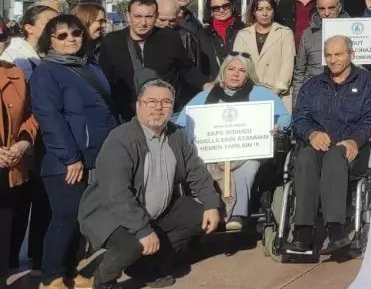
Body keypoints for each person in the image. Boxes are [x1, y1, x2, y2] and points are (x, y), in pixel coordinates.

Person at [78, 80, 221, 289]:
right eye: (151, 101)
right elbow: (116, 194)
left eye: (166, 102)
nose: (158, 107)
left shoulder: (177, 135)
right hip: (111, 214)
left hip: (156, 210)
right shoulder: (121, 139)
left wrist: (210, 203)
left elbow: (195, 170)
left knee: (198, 215)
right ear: (138, 106)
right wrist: (142, 230)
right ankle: (104, 279)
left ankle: (145, 267)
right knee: (133, 244)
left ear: (172, 107)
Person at [29, 15, 121, 289]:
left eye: (75, 33)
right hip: (64, 161)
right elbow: (50, 118)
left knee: (82, 218)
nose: (70, 39)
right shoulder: (46, 72)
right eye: (62, 35)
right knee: (64, 217)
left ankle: (69, 270)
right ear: (50, 41)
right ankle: (51, 277)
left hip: (95, 155)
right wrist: (70, 158)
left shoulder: (90, 67)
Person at [287, 36, 371, 255]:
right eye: (329, 55)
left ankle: (336, 230)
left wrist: (355, 140)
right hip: (318, 146)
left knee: (335, 157)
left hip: (352, 150)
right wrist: (311, 134)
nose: (333, 60)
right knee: (304, 158)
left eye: (338, 54)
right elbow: (299, 118)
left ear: (351, 55)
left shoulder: (369, 83)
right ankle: (302, 232)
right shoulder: (313, 86)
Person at [179, 54, 290, 232]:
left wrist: (278, 126)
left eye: (241, 70)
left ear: (249, 74)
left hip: (249, 151)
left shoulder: (260, 94)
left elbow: (285, 116)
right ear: (223, 72)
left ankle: (238, 213)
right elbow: (182, 121)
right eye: (231, 69)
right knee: (201, 168)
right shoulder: (206, 96)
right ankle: (211, 210)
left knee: (248, 167)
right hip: (212, 152)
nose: (235, 74)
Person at [4, 5, 56, 277]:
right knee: (17, 203)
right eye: (48, 22)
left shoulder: (42, 56)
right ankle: (12, 257)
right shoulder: (16, 58)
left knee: (33, 198)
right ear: (28, 26)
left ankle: (29, 255)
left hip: (31, 140)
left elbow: (29, 110)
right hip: (15, 146)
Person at [95, 0, 208, 118]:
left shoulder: (169, 38)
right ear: (128, 16)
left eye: (149, 17)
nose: (143, 23)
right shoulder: (113, 41)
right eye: (138, 16)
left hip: (165, 113)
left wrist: (205, 85)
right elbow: (105, 79)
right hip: (127, 116)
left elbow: (187, 69)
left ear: (155, 17)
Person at [0, 19, 38, 276]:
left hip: (11, 168)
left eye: (1, 36)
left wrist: (24, 141)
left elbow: (30, 116)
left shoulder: (16, 74)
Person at [232, 0, 296, 100]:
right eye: (260, 9)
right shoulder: (243, 34)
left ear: (274, 11)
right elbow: (237, 62)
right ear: (254, 12)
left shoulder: (285, 33)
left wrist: (277, 89)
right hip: (248, 93)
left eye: (268, 9)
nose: (265, 13)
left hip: (277, 94)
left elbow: (287, 64)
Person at [155, 0, 209, 80]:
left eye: (172, 21)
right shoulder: (145, 35)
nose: (166, 24)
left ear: (177, 18)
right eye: (162, 20)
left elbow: (194, 70)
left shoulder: (187, 37)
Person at [3, 4, 57, 81]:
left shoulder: (59, 53)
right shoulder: (13, 57)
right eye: (50, 23)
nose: (58, 28)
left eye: (59, 23)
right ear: (29, 28)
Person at [200, 0, 243, 72]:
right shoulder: (202, 34)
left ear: (232, 6)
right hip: (213, 82)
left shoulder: (244, 30)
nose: (222, 10)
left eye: (226, 6)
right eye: (216, 8)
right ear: (211, 11)